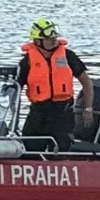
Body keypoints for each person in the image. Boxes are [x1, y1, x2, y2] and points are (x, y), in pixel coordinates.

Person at [17, 18, 92, 152]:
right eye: (49, 38)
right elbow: (15, 88)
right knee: (29, 149)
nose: (54, 40)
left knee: (62, 149)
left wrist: (88, 109)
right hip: (38, 113)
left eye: (55, 37)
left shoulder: (68, 56)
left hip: (62, 112)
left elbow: (86, 81)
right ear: (38, 41)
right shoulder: (27, 62)